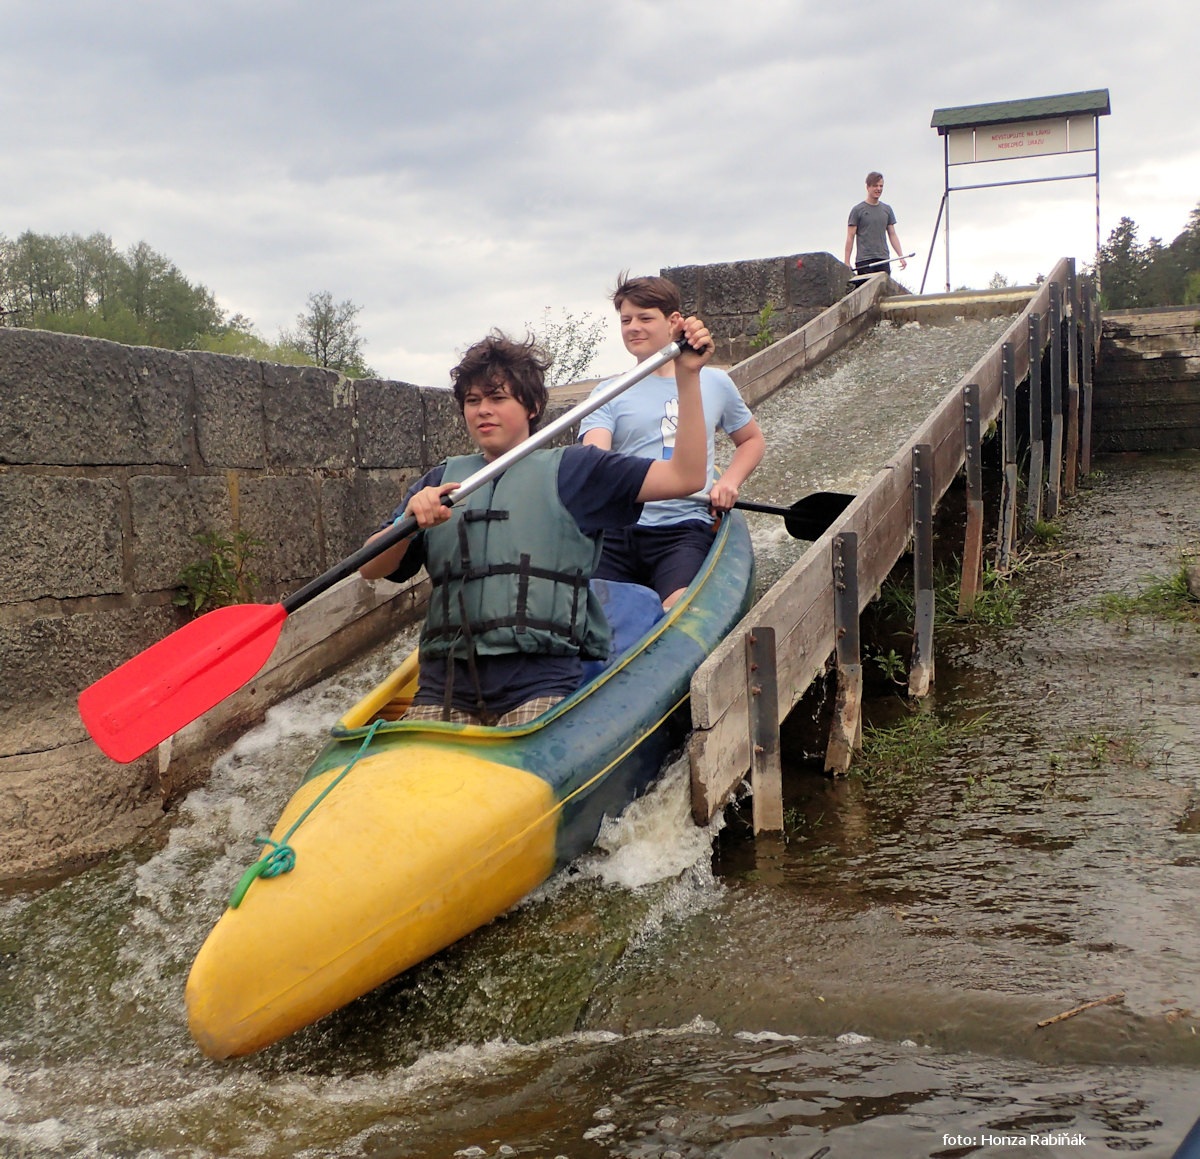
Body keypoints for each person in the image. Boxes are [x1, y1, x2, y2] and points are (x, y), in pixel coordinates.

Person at [358, 322, 713, 726]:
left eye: (496, 397)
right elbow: (371, 567)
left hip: (539, 683)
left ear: (530, 407)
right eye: (472, 400)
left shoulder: (576, 471)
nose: (482, 409)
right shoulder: (439, 483)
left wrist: (687, 376)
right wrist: (409, 522)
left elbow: (685, 477)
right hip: (444, 685)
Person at [578, 273, 765, 609]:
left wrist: (730, 482)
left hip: (684, 526)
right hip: (619, 530)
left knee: (679, 608)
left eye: (645, 318)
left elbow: (751, 440)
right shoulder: (606, 393)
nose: (633, 327)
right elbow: (595, 455)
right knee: (594, 614)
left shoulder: (715, 382)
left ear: (674, 321)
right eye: (626, 320)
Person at [844, 171, 907, 276]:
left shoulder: (887, 209)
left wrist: (901, 256)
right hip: (864, 260)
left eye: (881, 186)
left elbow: (892, 234)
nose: (878, 189)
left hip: (883, 259)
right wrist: (846, 261)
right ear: (868, 187)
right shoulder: (857, 210)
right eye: (875, 186)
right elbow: (850, 237)